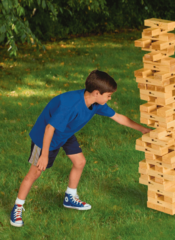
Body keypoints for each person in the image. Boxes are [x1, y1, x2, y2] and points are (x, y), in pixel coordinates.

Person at [10, 70, 151, 227]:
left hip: (65, 132)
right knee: (35, 173)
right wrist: (44, 155)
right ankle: (18, 207)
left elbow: (118, 117)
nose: (110, 98)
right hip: (45, 139)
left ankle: (70, 197)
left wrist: (143, 129)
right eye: (109, 95)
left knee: (79, 162)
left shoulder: (95, 103)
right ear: (97, 93)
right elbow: (49, 128)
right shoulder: (70, 105)